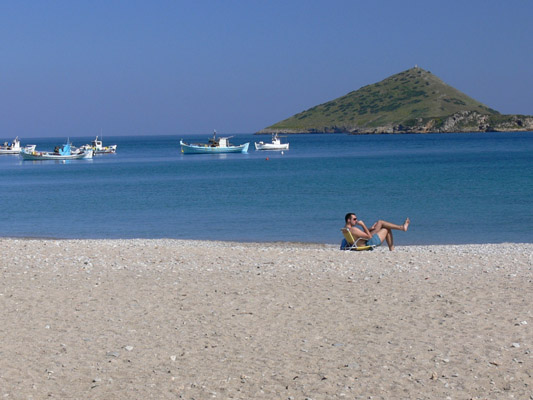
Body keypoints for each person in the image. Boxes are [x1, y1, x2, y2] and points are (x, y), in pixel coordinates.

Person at [342, 213, 410, 251]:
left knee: (380, 222)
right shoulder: (353, 229)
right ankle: (401, 228)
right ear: (348, 220)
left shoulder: (345, 229)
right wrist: (363, 225)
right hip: (368, 243)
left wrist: (370, 229)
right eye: (354, 219)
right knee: (386, 228)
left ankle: (402, 227)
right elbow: (369, 237)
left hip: (362, 241)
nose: (356, 220)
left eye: (356, 219)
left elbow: (358, 235)